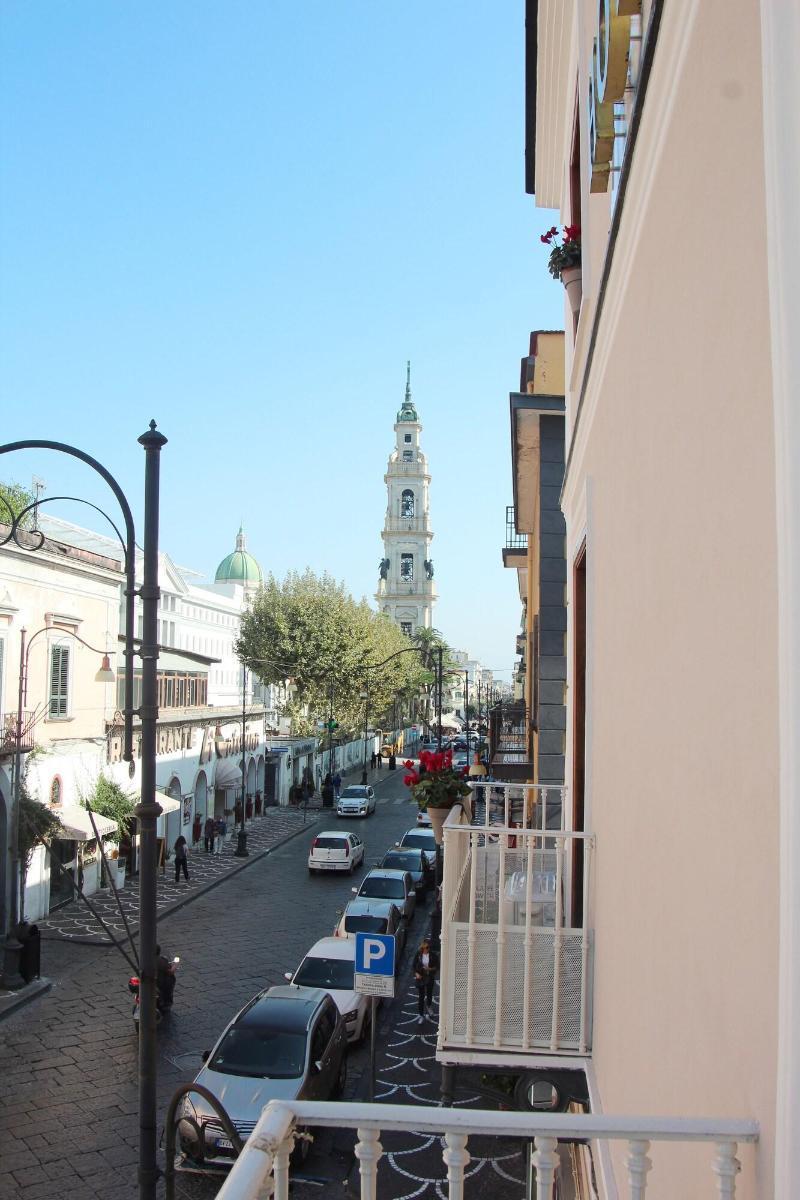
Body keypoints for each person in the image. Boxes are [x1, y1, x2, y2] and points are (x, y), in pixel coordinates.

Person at [412, 937, 439, 1024]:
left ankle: (429, 1006)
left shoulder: (433, 955)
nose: (425, 949)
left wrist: (429, 969)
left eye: (427, 947)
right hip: (421, 977)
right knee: (421, 996)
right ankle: (421, 1015)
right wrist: (416, 973)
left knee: (429, 993)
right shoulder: (418, 954)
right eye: (424, 948)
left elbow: (437, 967)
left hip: (429, 977)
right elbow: (413, 966)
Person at [156, 944, 176, 1009]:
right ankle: (167, 1002)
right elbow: (170, 972)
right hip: (159, 982)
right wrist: (175, 965)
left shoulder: (145, 959)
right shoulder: (161, 960)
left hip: (150, 981)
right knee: (170, 980)